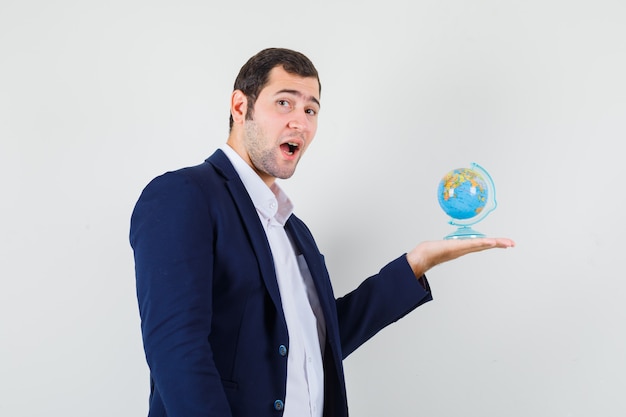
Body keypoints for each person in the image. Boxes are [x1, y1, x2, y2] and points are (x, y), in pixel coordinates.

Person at [129, 47, 515, 417]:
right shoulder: (184, 195)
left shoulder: (295, 231)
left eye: (310, 109)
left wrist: (416, 263)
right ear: (240, 107)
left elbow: (313, 344)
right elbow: (176, 349)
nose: (301, 120)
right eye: (284, 102)